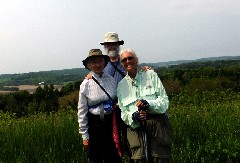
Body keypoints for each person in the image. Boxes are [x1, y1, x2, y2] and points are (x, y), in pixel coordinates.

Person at [117, 49, 172, 163]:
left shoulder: (151, 75)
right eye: (124, 60)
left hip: (157, 125)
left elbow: (164, 102)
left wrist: (148, 104)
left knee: (160, 159)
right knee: (139, 160)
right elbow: (123, 113)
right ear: (121, 64)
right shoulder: (121, 85)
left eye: (130, 58)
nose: (127, 61)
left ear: (136, 60)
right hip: (136, 129)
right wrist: (133, 117)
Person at [77, 49, 121, 163]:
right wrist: (85, 136)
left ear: (104, 63)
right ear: (89, 65)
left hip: (111, 123)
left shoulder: (110, 80)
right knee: (96, 158)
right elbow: (82, 111)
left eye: (99, 61)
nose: (97, 65)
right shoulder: (85, 84)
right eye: (94, 62)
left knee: (113, 156)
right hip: (95, 125)